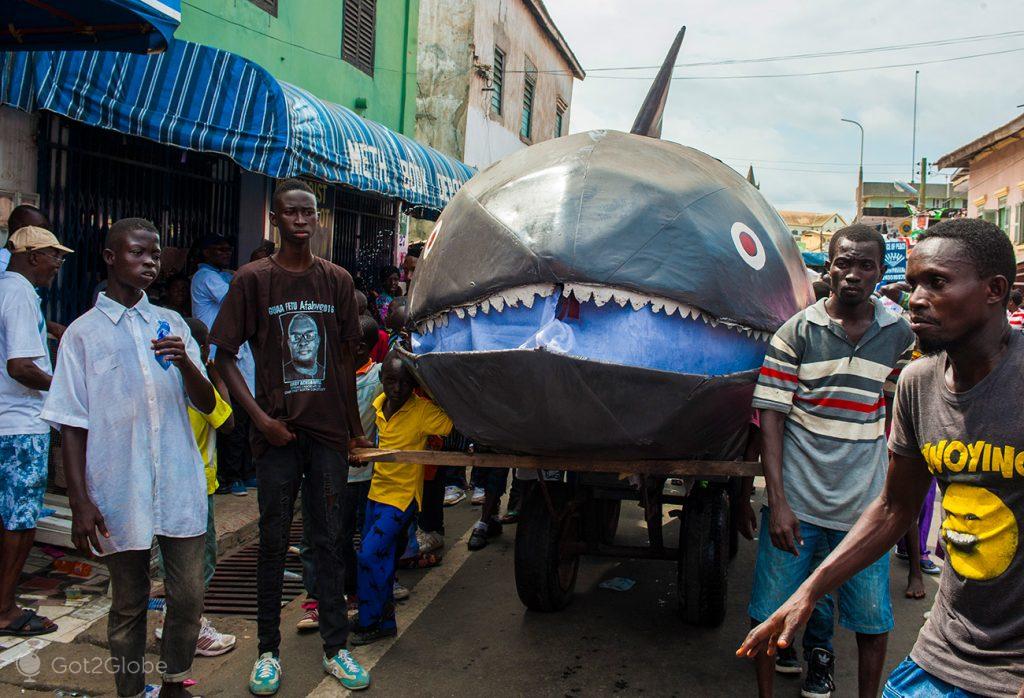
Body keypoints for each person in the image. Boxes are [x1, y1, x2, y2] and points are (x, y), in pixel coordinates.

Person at [739, 218, 1024, 698]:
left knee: (871, 619)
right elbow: (895, 507)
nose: (914, 298)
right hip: (944, 651)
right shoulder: (919, 383)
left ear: (996, 290)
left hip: (1010, 670)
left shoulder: (908, 341)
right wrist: (807, 593)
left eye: (936, 282)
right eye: (912, 283)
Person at [41, 217, 215, 698]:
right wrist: (80, 500)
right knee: (129, 602)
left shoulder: (173, 324)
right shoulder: (82, 335)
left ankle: (175, 679)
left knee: (188, 595)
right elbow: (72, 426)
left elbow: (205, 401)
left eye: (155, 255)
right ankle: (131, 689)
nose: (150, 263)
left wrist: (184, 361)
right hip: (119, 487)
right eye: (138, 253)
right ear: (111, 256)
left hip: (179, 483)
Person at [211, 178, 371, 694]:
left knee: (328, 540)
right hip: (277, 436)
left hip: (325, 436)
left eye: (308, 213)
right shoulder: (252, 280)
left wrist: (352, 431)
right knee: (274, 542)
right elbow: (224, 357)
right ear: (275, 219)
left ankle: (335, 648)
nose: (301, 221)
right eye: (290, 213)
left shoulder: (337, 281)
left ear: (317, 219)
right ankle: (267, 652)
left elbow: (347, 362)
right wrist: (259, 420)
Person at [745, 224, 915, 698]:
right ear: (829, 265)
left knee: (871, 619)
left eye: (866, 265)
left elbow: (912, 396)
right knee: (768, 612)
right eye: (844, 262)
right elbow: (771, 418)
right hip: (797, 505)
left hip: (865, 511)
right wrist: (777, 502)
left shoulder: (898, 334)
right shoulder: (796, 332)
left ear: (880, 273)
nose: (853, 274)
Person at [352, 352, 452, 646]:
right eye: (391, 382)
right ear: (382, 381)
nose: (397, 389)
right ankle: (379, 619)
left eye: (404, 383)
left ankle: (376, 621)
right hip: (376, 494)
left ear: (413, 385)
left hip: (402, 500)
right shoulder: (379, 405)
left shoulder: (422, 411)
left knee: (370, 555)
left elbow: (449, 424)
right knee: (377, 561)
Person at [0, 226, 72, 638]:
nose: (57, 264)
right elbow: (21, 367)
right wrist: (66, 387)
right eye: (52, 256)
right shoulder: (20, 293)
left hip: (8, 420)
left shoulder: (8, 289)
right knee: (20, 522)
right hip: (20, 423)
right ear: (30, 256)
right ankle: (6, 609)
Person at [151, 317, 237, 657]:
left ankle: (175, 624)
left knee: (178, 563)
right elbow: (227, 420)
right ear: (201, 349)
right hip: (195, 486)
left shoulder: (165, 379)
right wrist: (216, 373)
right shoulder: (195, 385)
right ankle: (192, 628)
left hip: (175, 484)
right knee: (199, 563)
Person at [297, 315, 383, 632]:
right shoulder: (324, 372)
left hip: (360, 475)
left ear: (359, 346)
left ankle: (354, 593)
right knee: (323, 538)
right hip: (325, 470)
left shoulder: (378, 377)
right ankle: (318, 599)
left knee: (350, 537)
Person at [191, 234, 257, 497]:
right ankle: (231, 476)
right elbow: (236, 296)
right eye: (219, 249)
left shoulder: (220, 275)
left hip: (232, 354)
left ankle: (242, 471)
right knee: (232, 416)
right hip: (217, 357)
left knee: (243, 415)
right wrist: (246, 270)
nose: (225, 253)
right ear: (205, 252)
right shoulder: (206, 278)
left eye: (228, 249)